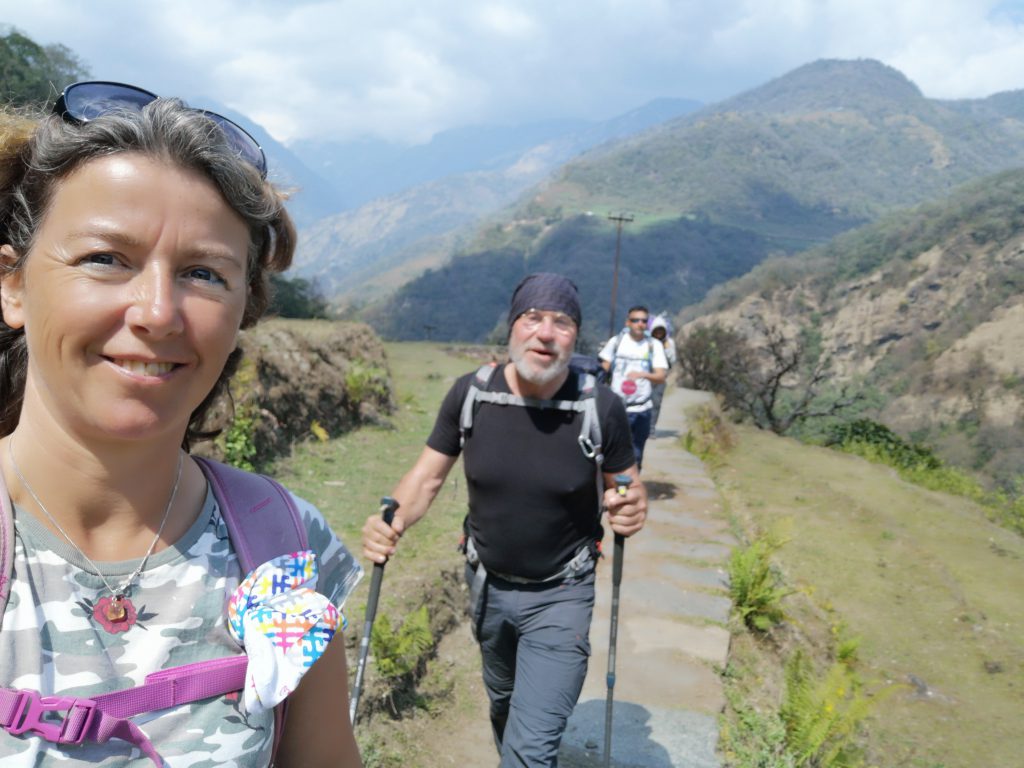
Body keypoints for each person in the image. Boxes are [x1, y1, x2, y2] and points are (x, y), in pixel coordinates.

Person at [0, 82, 363, 767]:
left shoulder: (283, 554)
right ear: (13, 285)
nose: (158, 312)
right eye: (106, 259)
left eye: (203, 273)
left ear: (242, 313)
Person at [362, 273, 647, 767]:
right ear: (512, 327)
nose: (545, 333)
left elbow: (626, 486)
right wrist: (390, 522)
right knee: (503, 703)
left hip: (562, 595)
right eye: (532, 318)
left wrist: (632, 507)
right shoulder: (472, 394)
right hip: (487, 587)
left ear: (574, 337)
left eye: (561, 323)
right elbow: (427, 478)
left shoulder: (600, 407)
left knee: (531, 749)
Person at [599, 305, 668, 470]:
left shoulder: (654, 346)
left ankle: (631, 488)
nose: (640, 324)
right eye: (635, 320)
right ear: (627, 322)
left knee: (636, 453)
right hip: (616, 407)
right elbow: (602, 370)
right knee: (611, 451)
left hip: (642, 409)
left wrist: (643, 374)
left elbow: (660, 376)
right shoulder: (616, 342)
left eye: (644, 321)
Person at [648, 313, 678, 433]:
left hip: (660, 378)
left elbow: (672, 360)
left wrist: (667, 348)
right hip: (648, 376)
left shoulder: (669, 343)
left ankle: (651, 428)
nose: (659, 334)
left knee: (656, 402)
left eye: (661, 331)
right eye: (657, 331)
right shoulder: (647, 342)